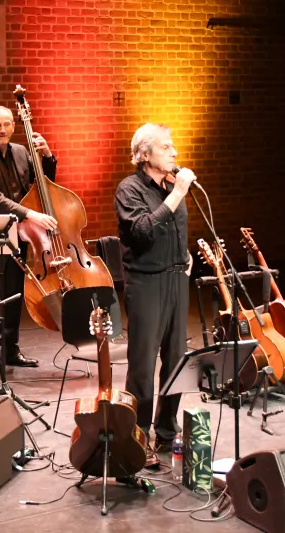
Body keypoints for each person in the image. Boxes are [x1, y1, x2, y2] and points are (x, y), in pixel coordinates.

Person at [114, 123, 195, 468]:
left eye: (172, 145)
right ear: (145, 154)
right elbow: (142, 232)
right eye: (166, 147)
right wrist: (177, 194)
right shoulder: (129, 189)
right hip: (146, 284)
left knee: (177, 359)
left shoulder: (170, 186)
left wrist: (185, 254)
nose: (174, 152)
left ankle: (166, 428)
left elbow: (174, 229)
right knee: (143, 365)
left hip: (176, 280)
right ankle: (138, 435)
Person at [0, 106, 58, 378]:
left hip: (17, 227)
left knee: (14, 289)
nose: (2, 129)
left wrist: (47, 156)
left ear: (13, 126)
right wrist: (30, 214)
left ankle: (10, 350)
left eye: (6, 124)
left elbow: (42, 184)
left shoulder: (21, 152)